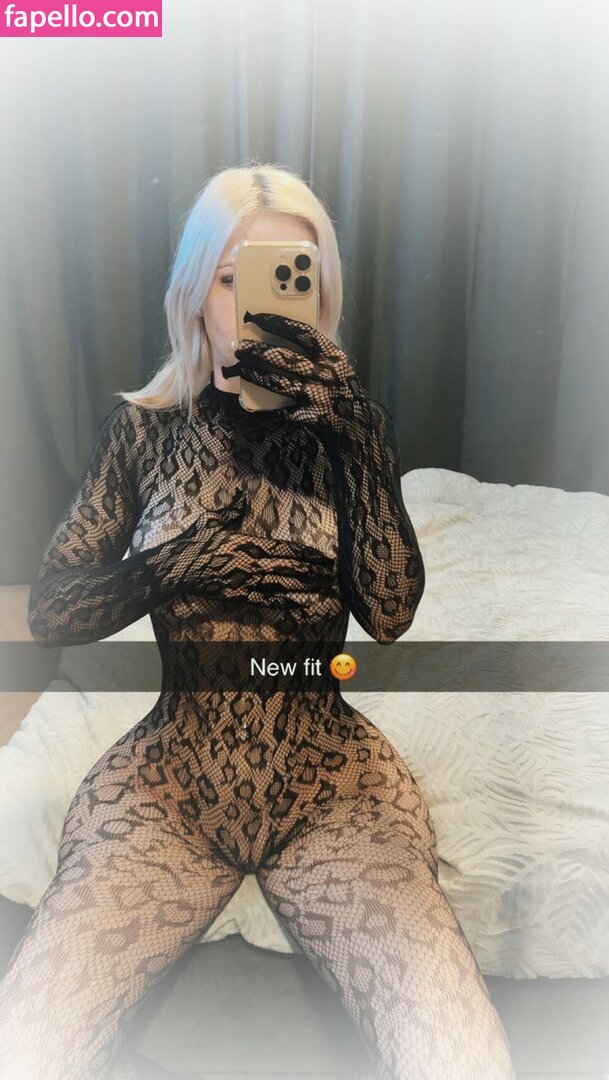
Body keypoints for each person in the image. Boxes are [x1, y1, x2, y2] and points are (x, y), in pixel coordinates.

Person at [0, 162, 516, 1080]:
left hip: (332, 790)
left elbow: (388, 613)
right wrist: (175, 563)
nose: (250, 305)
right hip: (168, 789)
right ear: (193, 294)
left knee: (455, 1053)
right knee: (28, 1042)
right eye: (229, 277)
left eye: (284, 276)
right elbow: (52, 609)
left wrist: (362, 443)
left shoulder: (349, 434)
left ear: (319, 295)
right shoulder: (142, 433)